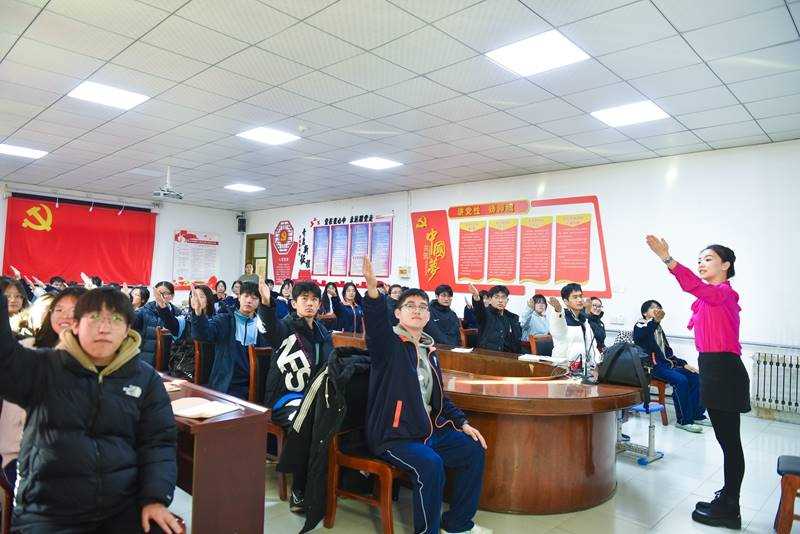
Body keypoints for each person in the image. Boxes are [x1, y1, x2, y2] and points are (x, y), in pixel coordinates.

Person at [0, 288, 181, 533]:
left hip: (120, 508)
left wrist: (155, 498)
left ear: (128, 329)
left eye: (115, 319)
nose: (104, 328)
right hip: (48, 511)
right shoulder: (43, 366)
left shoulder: (145, 378)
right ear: (75, 325)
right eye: (94, 317)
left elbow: (158, 442)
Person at [361, 257, 490, 534]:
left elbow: (439, 397)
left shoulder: (430, 351)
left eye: (422, 307)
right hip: (394, 435)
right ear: (397, 313)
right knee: (431, 465)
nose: (417, 310)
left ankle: (458, 524)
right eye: (410, 306)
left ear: (428, 315)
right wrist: (372, 293)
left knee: (473, 450)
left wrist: (463, 423)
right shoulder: (389, 345)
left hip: (427, 430)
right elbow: (375, 326)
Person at [647, 236, 745, 529]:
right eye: (699, 259)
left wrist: (667, 258)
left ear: (726, 265)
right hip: (713, 368)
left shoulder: (724, 293)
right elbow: (698, 294)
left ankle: (731, 508)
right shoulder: (708, 299)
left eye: (708, 259)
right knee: (726, 441)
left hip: (724, 371)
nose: (702, 263)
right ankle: (727, 499)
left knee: (730, 443)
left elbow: (693, 285)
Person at [0, 286, 86, 491]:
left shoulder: (95, 359)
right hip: (22, 455)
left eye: (74, 309)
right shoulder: (28, 349)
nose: (65, 315)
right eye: (59, 309)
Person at [258, 280, 333, 514]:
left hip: (313, 397)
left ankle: (327, 482)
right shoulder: (285, 326)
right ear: (294, 303)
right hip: (284, 398)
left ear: (319, 304)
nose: (310, 303)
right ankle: (299, 489)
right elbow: (269, 329)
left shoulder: (323, 333)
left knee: (334, 419)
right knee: (306, 423)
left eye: (314, 299)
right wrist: (266, 304)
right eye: (304, 299)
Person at [634, 300, 707, 433]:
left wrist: (683, 364)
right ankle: (684, 421)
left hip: (665, 365)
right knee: (681, 380)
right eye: (653, 308)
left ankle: (697, 414)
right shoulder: (640, 325)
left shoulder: (658, 329)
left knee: (696, 377)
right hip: (652, 367)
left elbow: (667, 353)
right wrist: (655, 322)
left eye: (659, 308)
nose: (657, 310)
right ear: (645, 313)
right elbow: (643, 335)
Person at [190, 281, 268, 399]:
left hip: (256, 386)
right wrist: (198, 313)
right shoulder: (224, 320)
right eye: (246, 296)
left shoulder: (262, 326)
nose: (249, 300)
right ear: (239, 297)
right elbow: (202, 335)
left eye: (254, 298)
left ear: (259, 301)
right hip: (227, 385)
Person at [156, 285, 216, 381]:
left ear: (209, 300)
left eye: (201, 296)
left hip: (212, 374)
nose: (196, 299)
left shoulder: (217, 321)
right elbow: (171, 323)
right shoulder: (184, 320)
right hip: (185, 373)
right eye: (193, 296)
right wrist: (163, 307)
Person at [547, 283, 599, 368]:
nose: (579, 300)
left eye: (580, 296)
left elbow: (592, 345)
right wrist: (558, 311)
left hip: (583, 367)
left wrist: (596, 365)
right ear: (566, 301)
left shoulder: (583, 320)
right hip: (563, 368)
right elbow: (558, 329)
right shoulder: (562, 318)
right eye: (575, 297)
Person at [132, 281, 180, 367]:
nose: (161, 296)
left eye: (165, 293)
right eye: (159, 293)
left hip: (168, 361)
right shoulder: (144, 311)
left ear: (172, 296)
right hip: (145, 360)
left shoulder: (177, 313)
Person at [468, 284, 522, 353]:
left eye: (503, 297)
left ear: (507, 300)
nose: (500, 300)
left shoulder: (512, 318)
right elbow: (479, 309)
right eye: (496, 297)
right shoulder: (485, 314)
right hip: (488, 355)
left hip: (509, 355)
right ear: (490, 300)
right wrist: (476, 298)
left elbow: (516, 341)